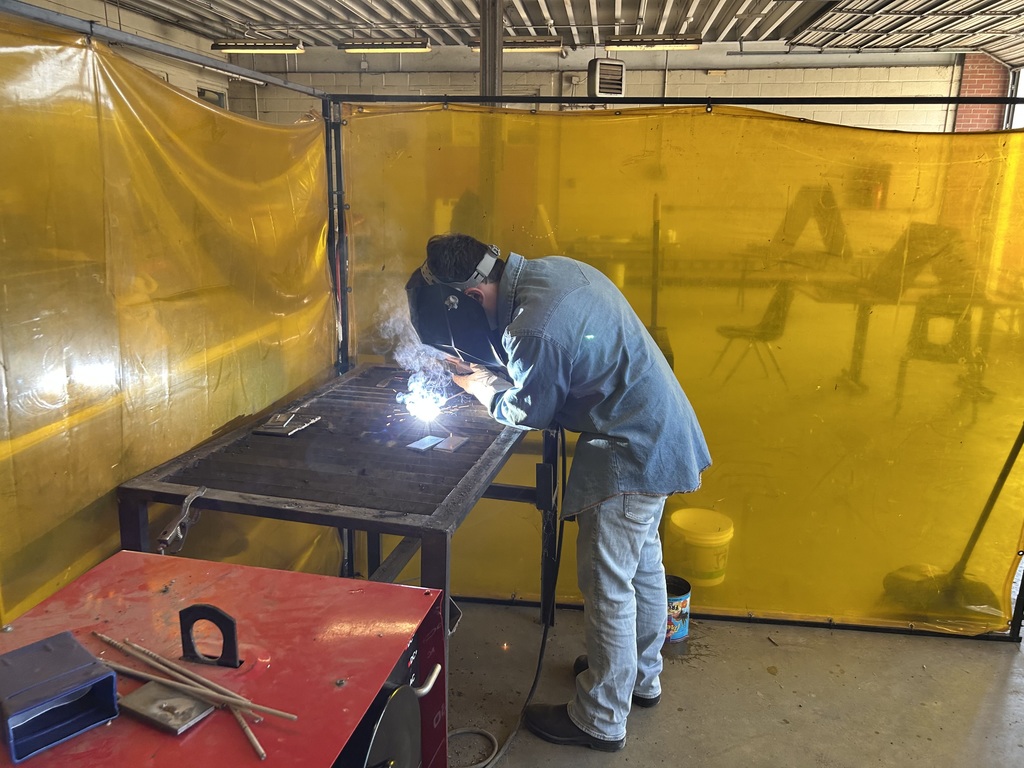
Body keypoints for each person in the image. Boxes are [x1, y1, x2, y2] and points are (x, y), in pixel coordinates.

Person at [414, 233, 711, 752]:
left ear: (472, 294)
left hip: (630, 451)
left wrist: (479, 386)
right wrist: (503, 372)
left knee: (608, 583)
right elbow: (560, 358)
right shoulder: (553, 272)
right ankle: (637, 677)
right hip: (661, 430)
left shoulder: (532, 326)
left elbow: (531, 410)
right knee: (642, 566)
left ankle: (600, 717)